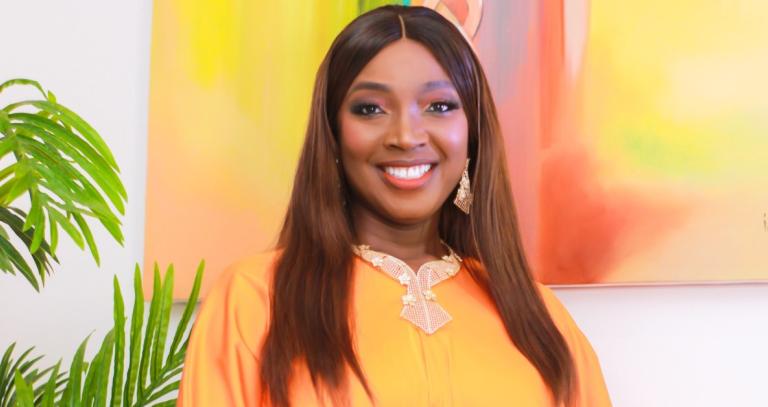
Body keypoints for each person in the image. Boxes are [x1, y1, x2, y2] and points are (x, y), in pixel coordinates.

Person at [178, 5, 611, 407]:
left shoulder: (540, 319)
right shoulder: (254, 300)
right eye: (370, 109)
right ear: (333, 133)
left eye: (439, 106)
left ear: (473, 134)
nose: (406, 136)